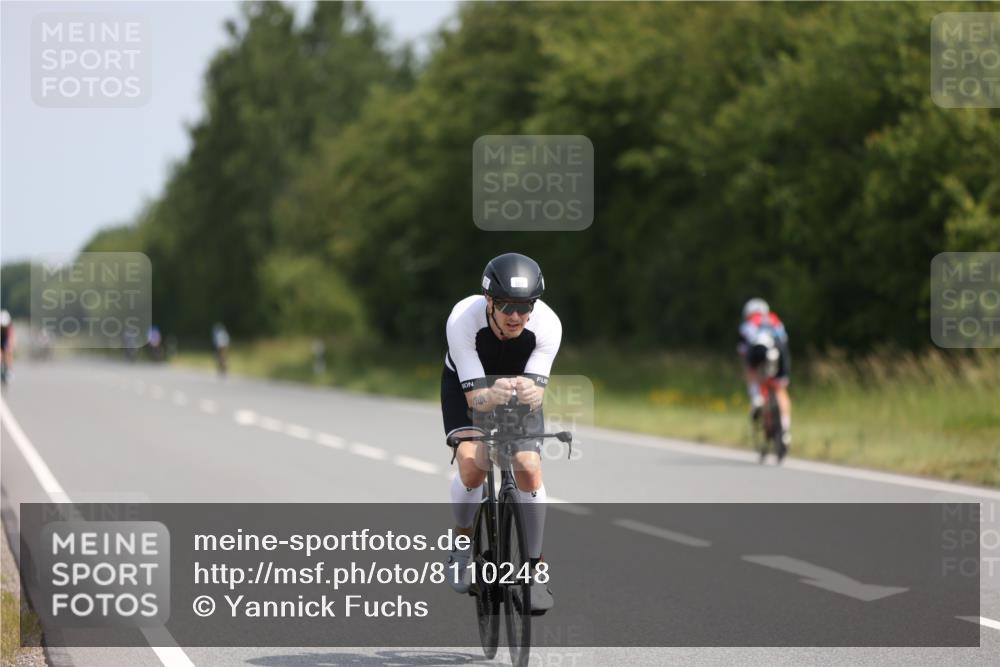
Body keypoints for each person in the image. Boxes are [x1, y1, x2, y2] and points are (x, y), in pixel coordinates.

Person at [441, 253, 561, 613]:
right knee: (472, 466)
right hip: (468, 386)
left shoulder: (548, 324)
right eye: (507, 305)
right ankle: (462, 541)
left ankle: (535, 568)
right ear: (489, 301)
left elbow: (537, 392)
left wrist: (532, 392)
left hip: (516, 389)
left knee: (529, 467)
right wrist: (490, 394)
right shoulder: (463, 319)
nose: (516, 316)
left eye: (525, 306)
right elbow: (475, 399)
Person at [738, 298, 791, 450]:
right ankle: (785, 430)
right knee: (780, 389)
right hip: (779, 350)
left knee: (751, 371)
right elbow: (784, 340)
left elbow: (743, 351)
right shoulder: (776, 321)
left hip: (758, 348)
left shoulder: (748, 323)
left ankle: (757, 398)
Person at [1, 310, 13, 385]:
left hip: (5, 339)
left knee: (8, 352)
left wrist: (9, 348)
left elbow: (11, 339)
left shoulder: (9, 328)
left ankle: (8, 370)